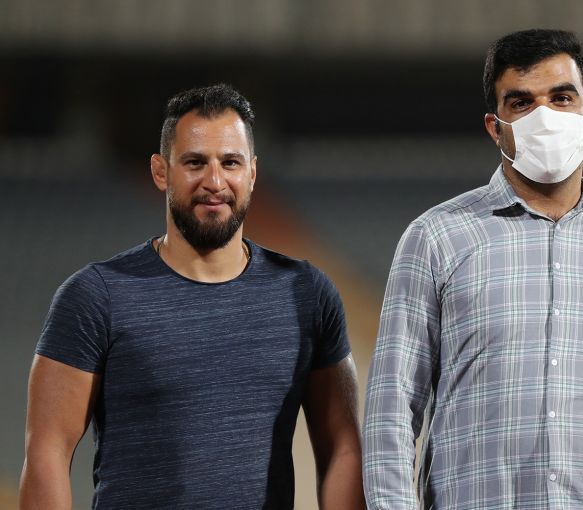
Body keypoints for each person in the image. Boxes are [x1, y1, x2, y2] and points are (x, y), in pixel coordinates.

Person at [363, 29, 583, 509]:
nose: (544, 117)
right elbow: (390, 412)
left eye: (561, 98)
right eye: (521, 103)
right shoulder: (436, 239)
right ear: (495, 128)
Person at [20, 84, 365, 509]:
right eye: (195, 162)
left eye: (230, 162)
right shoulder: (95, 296)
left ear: (252, 172)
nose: (214, 182)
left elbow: (343, 448)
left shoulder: (306, 293)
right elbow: (48, 452)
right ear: (161, 171)